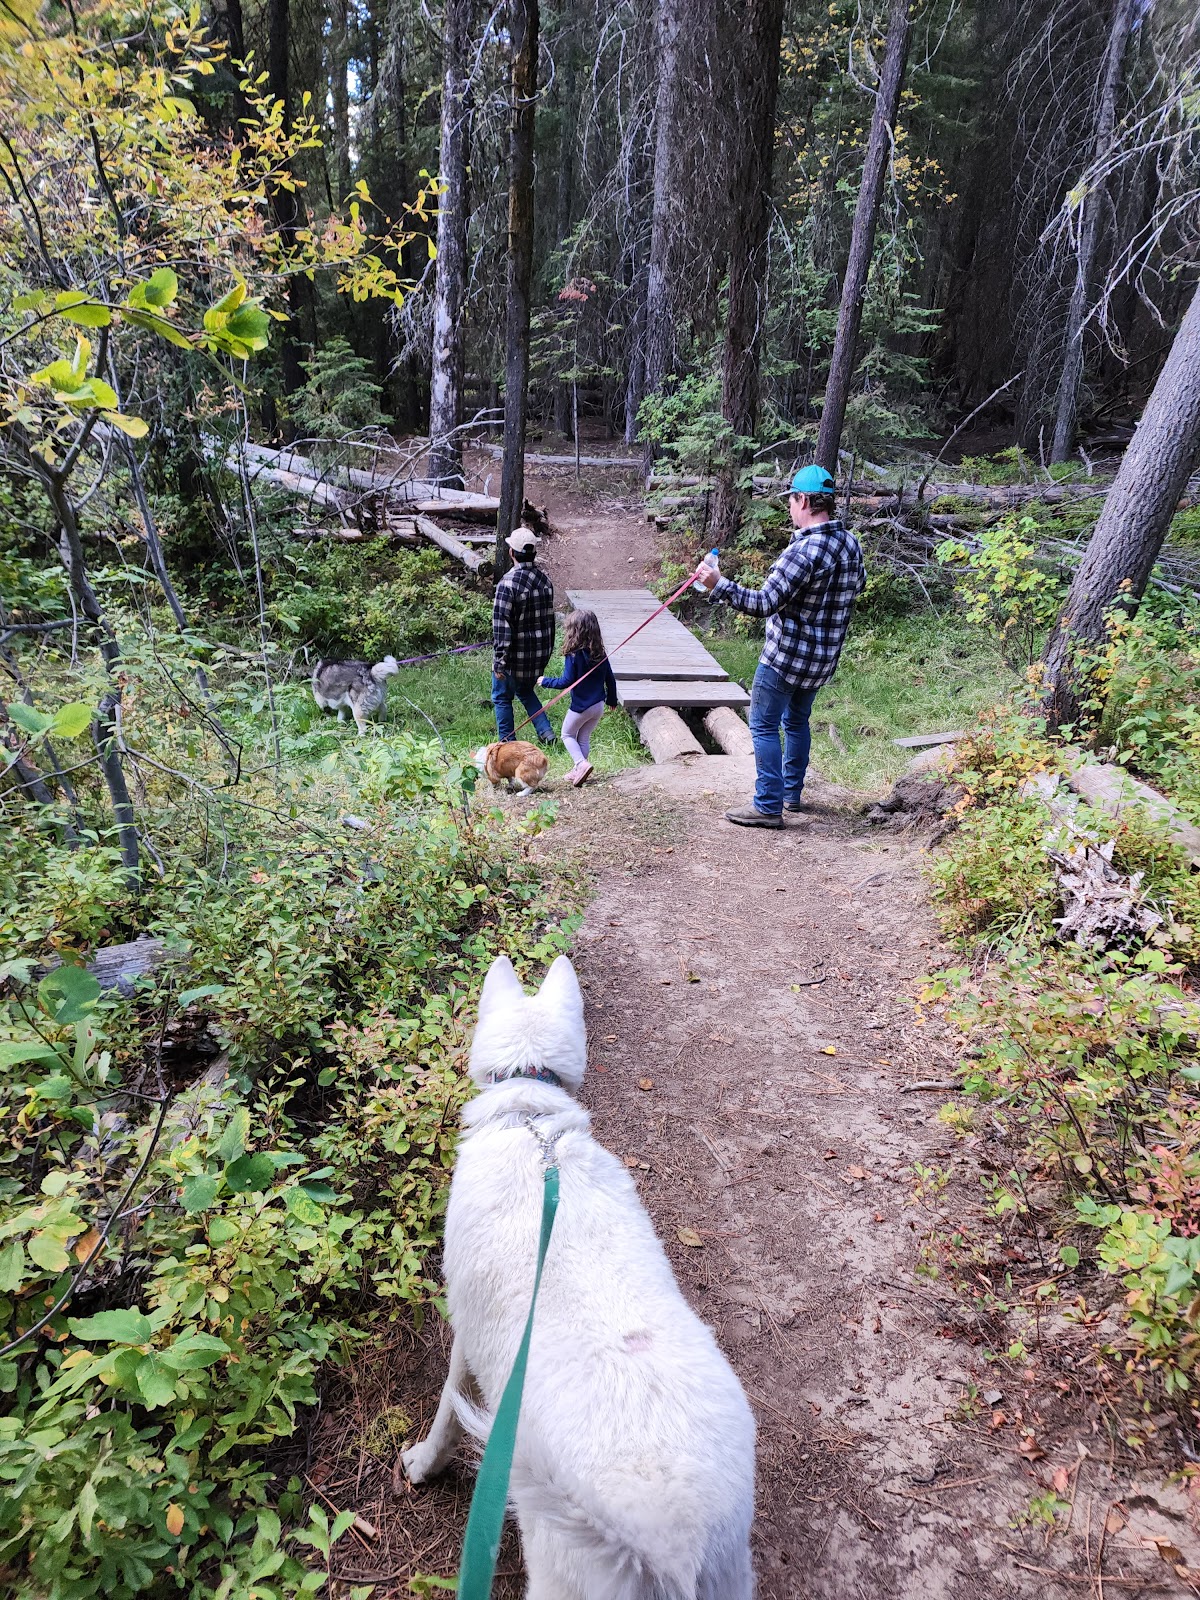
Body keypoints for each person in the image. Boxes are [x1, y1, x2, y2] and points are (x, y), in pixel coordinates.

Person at [695, 464, 865, 829]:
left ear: (803, 500)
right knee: (797, 722)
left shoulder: (802, 552)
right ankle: (791, 794)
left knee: (763, 724)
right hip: (822, 660)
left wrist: (718, 584)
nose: (790, 506)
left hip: (786, 658)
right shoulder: (850, 543)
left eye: (791, 498)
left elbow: (762, 604)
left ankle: (768, 805)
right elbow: (857, 587)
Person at [537, 607, 619, 787]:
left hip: (581, 706)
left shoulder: (573, 655)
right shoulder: (600, 654)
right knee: (583, 738)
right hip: (598, 706)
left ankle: (581, 764)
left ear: (573, 632)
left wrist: (545, 681)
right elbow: (610, 679)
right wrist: (612, 700)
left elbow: (566, 681)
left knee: (567, 734)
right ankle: (578, 772)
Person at [492, 526, 556, 744]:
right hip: (538, 658)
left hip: (513, 660)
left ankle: (507, 744)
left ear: (512, 553)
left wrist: (499, 662)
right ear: (534, 553)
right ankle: (546, 733)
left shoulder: (507, 584)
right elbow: (549, 622)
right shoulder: (546, 582)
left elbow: (502, 629)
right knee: (525, 690)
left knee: (501, 697)